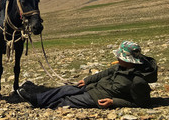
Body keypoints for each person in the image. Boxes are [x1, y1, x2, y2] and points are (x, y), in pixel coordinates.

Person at [17, 41, 158, 109]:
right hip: (94, 87)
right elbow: (104, 73)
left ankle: (41, 104)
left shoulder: (138, 81)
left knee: (67, 101)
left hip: (98, 97)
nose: (118, 58)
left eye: (121, 57)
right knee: (66, 89)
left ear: (129, 60)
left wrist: (113, 102)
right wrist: (87, 80)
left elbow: (142, 104)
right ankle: (36, 98)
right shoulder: (121, 66)